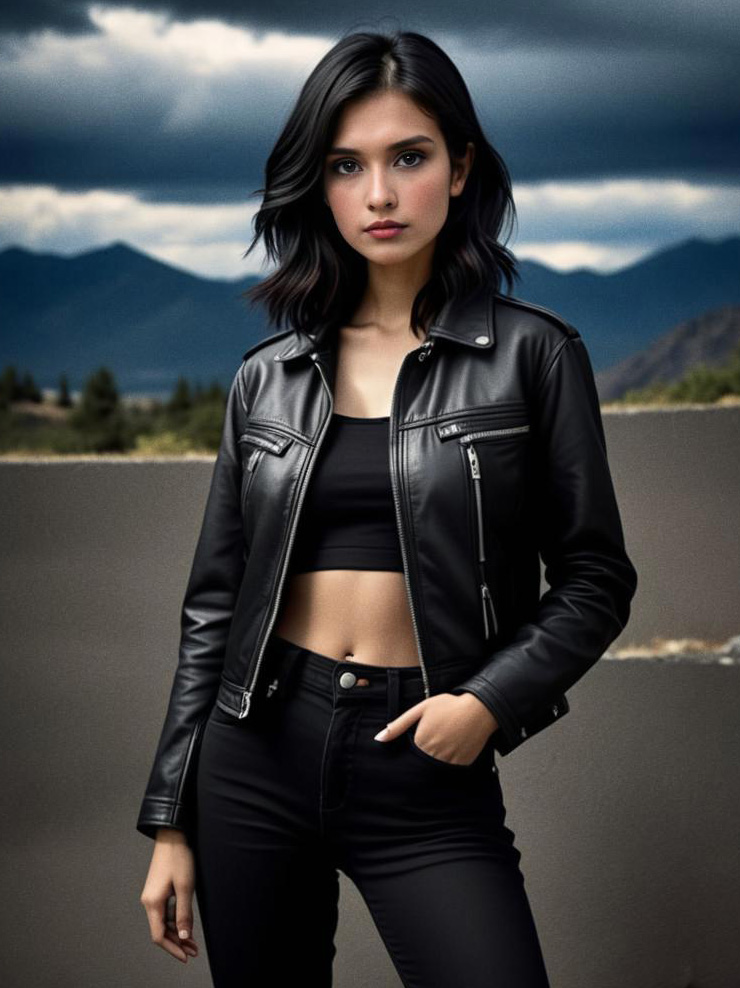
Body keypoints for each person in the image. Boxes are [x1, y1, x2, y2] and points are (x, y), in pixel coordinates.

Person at [137, 29, 638, 987]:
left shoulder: (536, 356)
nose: (378, 194)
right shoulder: (267, 378)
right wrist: (170, 817)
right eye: (346, 165)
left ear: (460, 169)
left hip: (425, 753)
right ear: (317, 186)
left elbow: (596, 578)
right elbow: (215, 608)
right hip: (255, 752)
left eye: (408, 157)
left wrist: (487, 704)